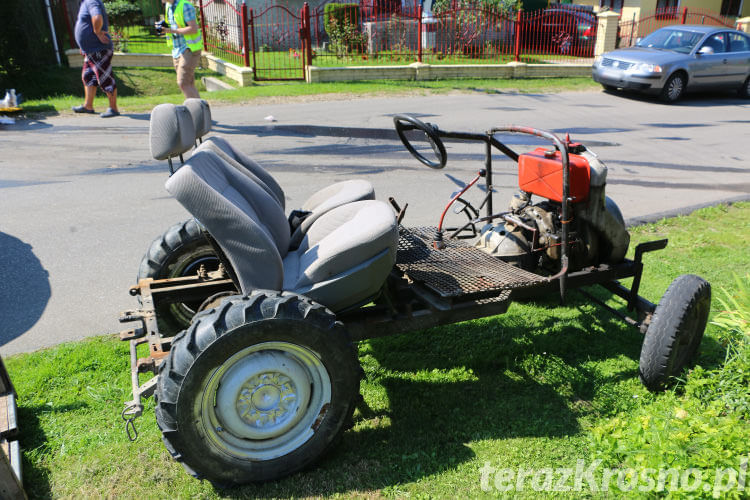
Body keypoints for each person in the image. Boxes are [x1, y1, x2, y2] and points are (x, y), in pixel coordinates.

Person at [73, 0, 120, 118]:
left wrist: (97, 32)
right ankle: (88, 106)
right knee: (88, 76)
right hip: (90, 50)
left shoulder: (91, 1)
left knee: (105, 78)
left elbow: (97, 17)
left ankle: (113, 108)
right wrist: (83, 46)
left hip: (98, 49)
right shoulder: (86, 2)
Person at [159, 0, 203, 99]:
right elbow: (173, 24)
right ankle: (200, 110)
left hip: (189, 48)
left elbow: (193, 29)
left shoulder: (185, 6)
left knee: (182, 83)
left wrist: (171, 30)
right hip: (177, 50)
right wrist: (162, 26)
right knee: (189, 84)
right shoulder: (168, 6)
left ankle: (194, 110)